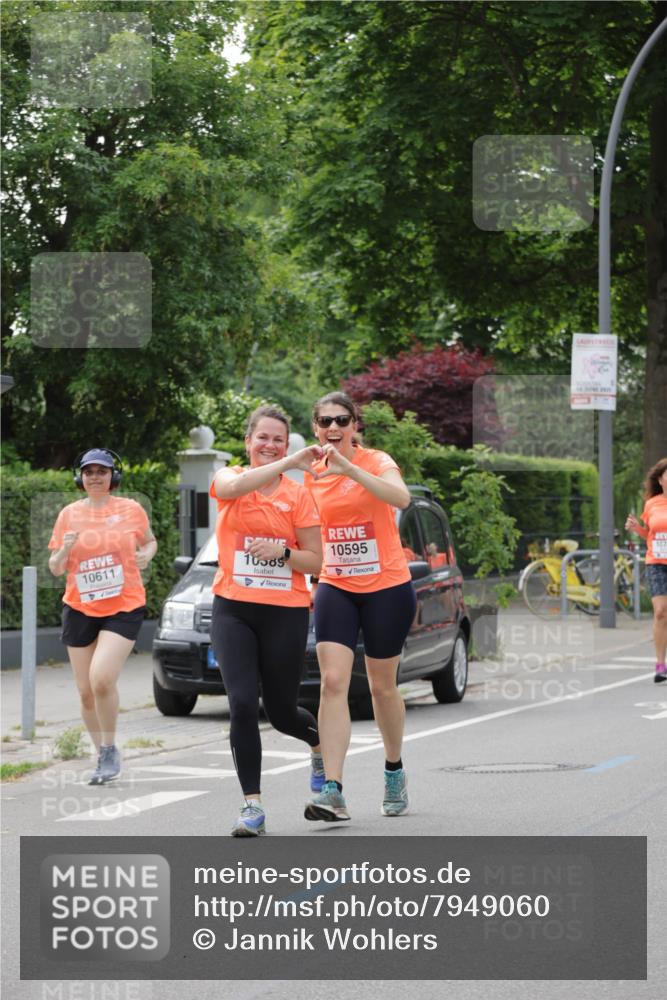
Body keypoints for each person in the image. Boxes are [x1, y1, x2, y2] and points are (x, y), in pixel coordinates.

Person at [210, 405, 325, 836]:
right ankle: (252, 808)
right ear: (248, 441)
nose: (270, 445)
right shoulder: (230, 479)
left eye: (279, 439)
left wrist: (282, 553)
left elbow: (316, 559)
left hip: (285, 611)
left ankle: (316, 745)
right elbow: (235, 485)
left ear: (286, 442)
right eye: (263, 437)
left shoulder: (298, 496)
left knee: (281, 713)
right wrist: (290, 463)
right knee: (241, 702)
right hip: (233, 609)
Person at [303, 391, 416, 823]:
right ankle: (333, 789)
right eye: (325, 421)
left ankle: (393, 769)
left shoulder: (376, 460)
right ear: (315, 427)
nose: (333, 428)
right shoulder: (310, 474)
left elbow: (401, 499)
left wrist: (348, 467)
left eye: (342, 421)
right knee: (332, 681)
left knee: (381, 688)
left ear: (355, 426)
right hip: (336, 584)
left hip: (387, 586)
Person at [48, 448, 157, 783]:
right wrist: (65, 548)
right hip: (80, 606)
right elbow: (54, 568)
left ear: (113, 477)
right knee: (85, 692)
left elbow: (151, 542)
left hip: (123, 605)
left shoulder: (131, 509)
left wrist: (146, 556)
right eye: (89, 471)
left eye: (102, 471)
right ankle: (102, 756)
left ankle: (110, 748)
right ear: (80, 477)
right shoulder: (68, 514)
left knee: (102, 679)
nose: (95, 477)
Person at [625, 457, 667, 683]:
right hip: (657, 563)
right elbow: (649, 534)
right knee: (660, 612)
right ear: (660, 479)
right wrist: (636, 528)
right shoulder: (652, 504)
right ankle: (660, 664)